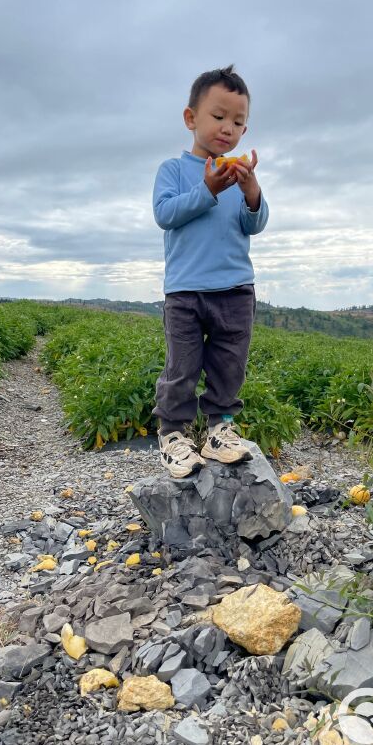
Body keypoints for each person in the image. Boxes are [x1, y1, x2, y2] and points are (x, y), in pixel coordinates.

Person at [151, 65, 269, 478]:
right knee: (182, 366)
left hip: (236, 288)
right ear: (191, 119)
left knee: (228, 365)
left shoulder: (239, 175)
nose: (228, 128)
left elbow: (252, 224)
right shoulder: (173, 170)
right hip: (185, 291)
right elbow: (165, 214)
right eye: (218, 117)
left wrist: (252, 193)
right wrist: (208, 191)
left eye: (238, 122)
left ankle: (220, 429)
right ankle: (174, 434)